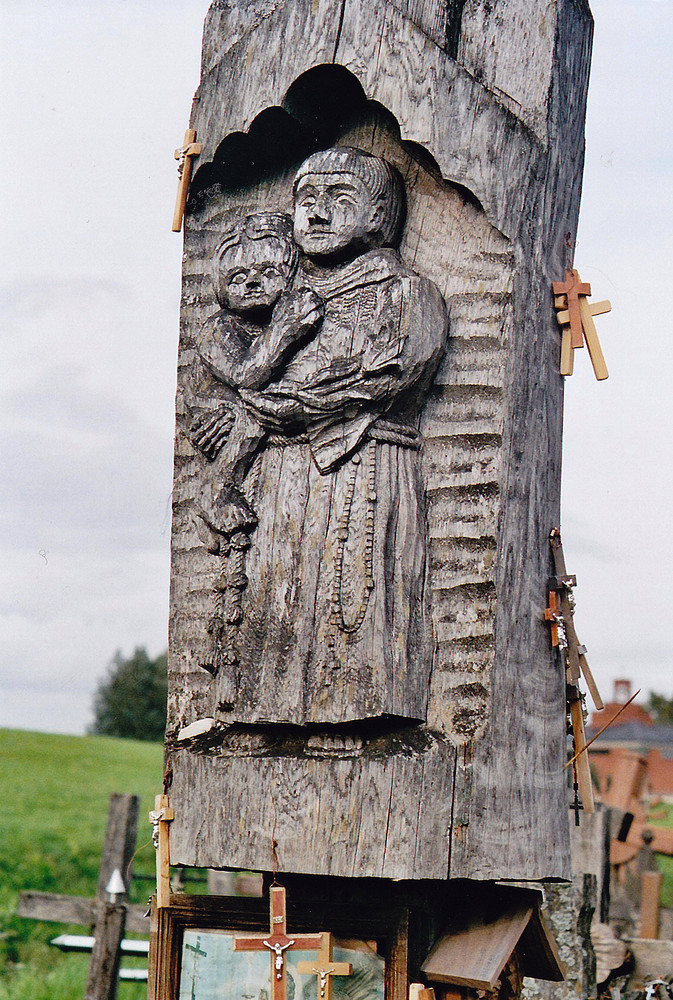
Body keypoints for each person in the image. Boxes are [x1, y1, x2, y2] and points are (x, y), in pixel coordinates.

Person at [212, 147, 449, 728]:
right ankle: (267, 715)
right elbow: (251, 372)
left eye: (338, 201)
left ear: (380, 214)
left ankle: (364, 720)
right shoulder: (282, 304)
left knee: (356, 606)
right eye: (305, 201)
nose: (315, 216)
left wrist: (273, 404)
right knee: (279, 596)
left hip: (364, 466)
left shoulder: (402, 293)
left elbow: (375, 379)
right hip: (283, 479)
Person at [187, 212, 323, 551]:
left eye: (267, 273)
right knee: (261, 402)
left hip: (267, 430)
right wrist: (285, 330)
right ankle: (216, 488)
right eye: (238, 277)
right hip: (222, 418)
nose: (252, 283)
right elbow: (248, 375)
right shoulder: (218, 328)